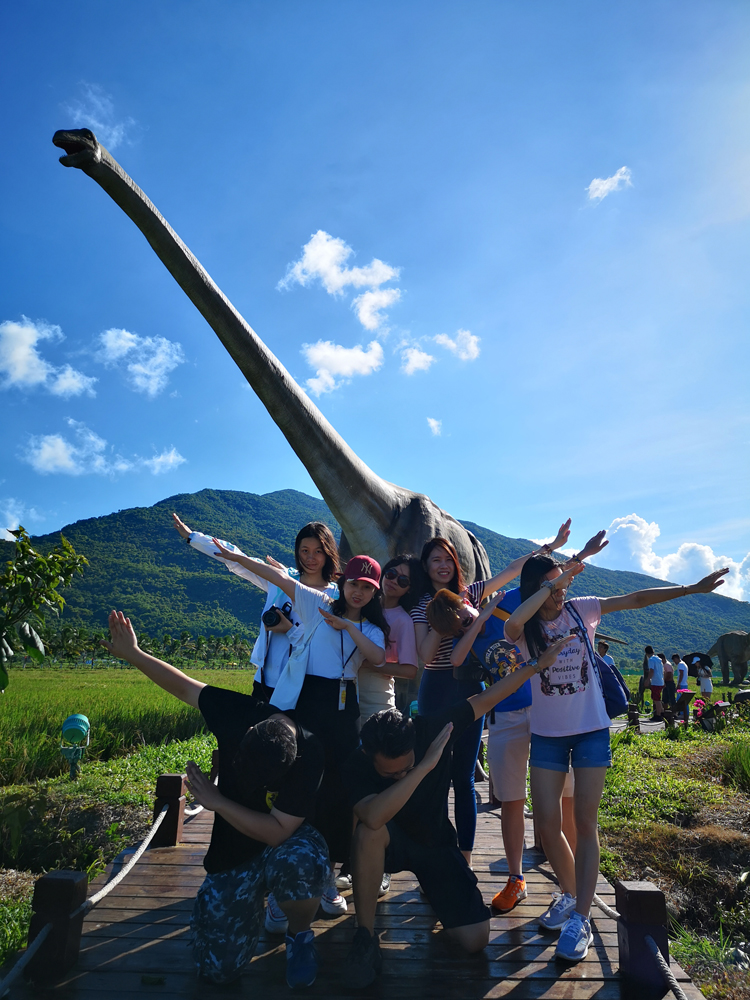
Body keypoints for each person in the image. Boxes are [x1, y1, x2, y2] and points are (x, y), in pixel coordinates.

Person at [503, 538, 727, 964]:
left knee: (585, 823)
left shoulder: (581, 609)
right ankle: (571, 894)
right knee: (547, 824)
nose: (562, 592)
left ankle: (581, 918)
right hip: (548, 735)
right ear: (535, 588)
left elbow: (635, 599)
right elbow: (512, 623)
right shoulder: (525, 627)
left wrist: (691, 589)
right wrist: (552, 583)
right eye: (553, 586)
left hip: (591, 730)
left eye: (563, 585)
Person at [99, 610, 328, 990]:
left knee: (302, 861)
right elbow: (185, 687)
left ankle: (299, 934)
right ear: (248, 731)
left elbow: (277, 831)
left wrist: (217, 802)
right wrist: (135, 655)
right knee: (217, 971)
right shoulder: (240, 714)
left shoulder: (311, 751)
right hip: (233, 852)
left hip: (284, 843)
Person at [340, 632, 575, 988]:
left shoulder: (432, 728)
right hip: (390, 843)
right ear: (369, 756)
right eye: (390, 774)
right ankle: (364, 937)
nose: (399, 774)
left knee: (475, 939)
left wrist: (535, 665)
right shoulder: (358, 763)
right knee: (367, 833)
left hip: (436, 846)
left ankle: (440, 896)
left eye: (405, 767)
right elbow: (372, 816)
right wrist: (421, 769)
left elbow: (489, 696)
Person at [208, 541, 388, 921]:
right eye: (353, 583)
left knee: (336, 792)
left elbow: (377, 657)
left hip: (344, 708)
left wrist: (347, 626)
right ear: (341, 583)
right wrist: (236, 557)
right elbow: (277, 578)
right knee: (297, 788)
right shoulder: (316, 603)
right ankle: (281, 887)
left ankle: (324, 879)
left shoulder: (372, 628)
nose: (358, 591)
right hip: (308, 702)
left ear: (374, 593)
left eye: (367, 587)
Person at [411, 521, 571, 866]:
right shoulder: (422, 604)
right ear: (425, 566)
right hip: (436, 689)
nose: (442, 565)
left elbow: (513, 571)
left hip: (471, 688)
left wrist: (551, 547)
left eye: (448, 559)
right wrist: (443, 613)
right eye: (435, 560)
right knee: (433, 774)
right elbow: (425, 655)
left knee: (464, 778)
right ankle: (435, 857)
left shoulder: (471, 593)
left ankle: (465, 859)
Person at [173, 514, 340, 698]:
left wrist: (290, 630)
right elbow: (237, 558)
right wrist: (193, 537)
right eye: (305, 551)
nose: (310, 558)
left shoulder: (336, 596)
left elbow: (330, 644)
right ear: (297, 552)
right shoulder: (280, 580)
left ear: (328, 552)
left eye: (318, 551)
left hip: (307, 685)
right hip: (266, 680)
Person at [357, 555, 420, 725]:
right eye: (391, 574)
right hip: (348, 689)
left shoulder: (403, 620)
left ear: (409, 589)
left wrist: (370, 664)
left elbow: (410, 671)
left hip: (376, 694)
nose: (393, 581)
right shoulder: (362, 604)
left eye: (403, 581)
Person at [672, 654, 694, 724]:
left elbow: (681, 674)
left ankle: (683, 713)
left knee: (681, 700)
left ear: (676, 659)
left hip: (682, 684)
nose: (674, 662)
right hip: (684, 684)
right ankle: (684, 713)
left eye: (674, 661)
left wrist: (679, 683)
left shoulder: (681, 664)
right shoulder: (684, 664)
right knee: (684, 700)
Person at [646, 647, 665, 721]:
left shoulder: (651, 660)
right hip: (661, 681)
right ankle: (662, 712)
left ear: (646, 653)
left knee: (656, 699)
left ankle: (658, 714)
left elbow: (651, 670)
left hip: (656, 682)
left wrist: (648, 679)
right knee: (657, 698)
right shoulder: (658, 659)